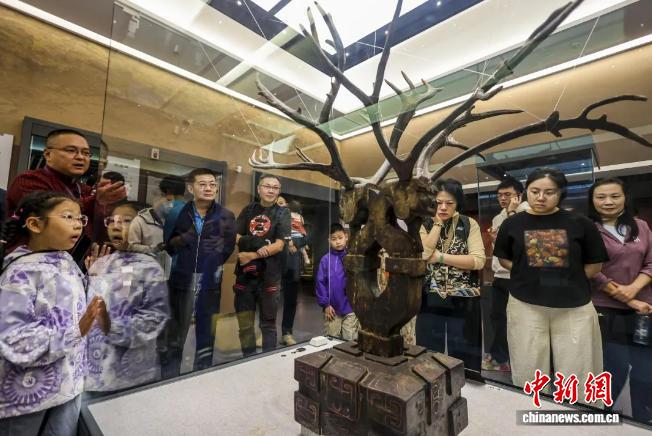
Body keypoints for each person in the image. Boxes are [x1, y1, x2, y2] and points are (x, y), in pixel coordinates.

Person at [493, 168, 608, 402]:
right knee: (528, 365)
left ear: (561, 193)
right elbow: (505, 259)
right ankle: (531, 411)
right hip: (525, 304)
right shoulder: (512, 223)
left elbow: (594, 265)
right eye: (535, 191)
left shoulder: (581, 223)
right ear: (526, 192)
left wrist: (568, 279)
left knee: (578, 366)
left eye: (549, 192)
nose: (541, 197)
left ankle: (579, 414)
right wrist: (529, 274)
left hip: (573, 306)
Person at [0, 192, 109, 434]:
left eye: (80, 218)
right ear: (35, 224)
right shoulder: (20, 273)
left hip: (68, 384)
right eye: (68, 217)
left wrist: (94, 279)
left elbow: (82, 308)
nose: (78, 224)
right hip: (28, 395)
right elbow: (14, 340)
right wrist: (75, 331)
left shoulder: (65, 261)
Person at [85, 201, 169, 393]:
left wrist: (110, 327)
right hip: (94, 370)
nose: (116, 226)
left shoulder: (149, 268)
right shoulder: (105, 261)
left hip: (128, 375)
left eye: (126, 221)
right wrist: (94, 277)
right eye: (112, 220)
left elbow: (153, 319)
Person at [588, 178, 652, 420]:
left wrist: (634, 289)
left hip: (643, 309)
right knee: (614, 367)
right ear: (592, 201)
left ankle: (642, 420)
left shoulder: (641, 226)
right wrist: (628, 298)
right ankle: (601, 414)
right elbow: (592, 271)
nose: (608, 201)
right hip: (605, 309)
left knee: (645, 368)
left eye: (615, 196)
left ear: (625, 198)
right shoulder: (587, 229)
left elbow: (651, 262)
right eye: (601, 197)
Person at [165, 168, 236, 373]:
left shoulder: (226, 215)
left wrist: (211, 263)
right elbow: (169, 245)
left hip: (209, 280)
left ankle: (202, 371)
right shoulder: (177, 213)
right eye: (202, 184)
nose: (208, 188)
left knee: (206, 330)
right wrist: (184, 241)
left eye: (212, 185)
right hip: (182, 277)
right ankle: (169, 375)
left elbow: (228, 247)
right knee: (176, 330)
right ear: (191, 188)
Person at [416, 178, 486, 374]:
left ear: (458, 203)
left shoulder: (468, 223)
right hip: (430, 296)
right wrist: (437, 224)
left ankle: (467, 386)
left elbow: (478, 261)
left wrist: (440, 257)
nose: (443, 207)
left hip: (464, 298)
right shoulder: (425, 224)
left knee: (464, 350)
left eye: (449, 203)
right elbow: (423, 254)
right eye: (438, 202)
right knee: (428, 351)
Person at [6, 129, 126, 240]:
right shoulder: (30, 180)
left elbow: (101, 230)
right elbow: (50, 216)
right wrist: (96, 200)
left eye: (86, 153)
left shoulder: (85, 189)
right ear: (48, 154)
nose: (80, 157)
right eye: (71, 150)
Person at [234, 175, 290, 356]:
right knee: (245, 325)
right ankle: (247, 359)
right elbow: (235, 236)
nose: (271, 190)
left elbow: (279, 245)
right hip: (245, 276)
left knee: (268, 324)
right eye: (267, 186)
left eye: (275, 187)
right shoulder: (248, 210)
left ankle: (269, 362)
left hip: (270, 277)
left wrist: (251, 254)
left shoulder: (283, 213)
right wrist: (259, 243)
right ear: (259, 189)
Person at [484, 176, 528, 372]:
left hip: (519, 276)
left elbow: (521, 245)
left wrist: (512, 213)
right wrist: (495, 240)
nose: (503, 198)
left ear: (519, 196)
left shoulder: (527, 212)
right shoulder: (498, 217)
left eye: (507, 194)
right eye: (500, 195)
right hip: (500, 276)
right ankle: (501, 358)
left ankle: (519, 360)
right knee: (498, 318)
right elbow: (501, 249)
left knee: (520, 321)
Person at [316, 223, 359, 341]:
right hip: (332, 309)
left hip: (350, 308)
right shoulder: (325, 260)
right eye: (334, 239)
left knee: (350, 341)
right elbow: (320, 284)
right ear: (329, 240)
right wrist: (326, 305)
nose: (338, 242)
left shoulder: (351, 258)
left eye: (340, 238)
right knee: (331, 340)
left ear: (346, 237)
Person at [277, 197, 310, 346]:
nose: (280, 206)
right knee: (269, 300)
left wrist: (294, 242)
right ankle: (264, 332)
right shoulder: (270, 217)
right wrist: (287, 240)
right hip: (273, 262)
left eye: (282, 203)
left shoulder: (298, 219)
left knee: (290, 299)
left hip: (292, 263)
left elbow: (307, 236)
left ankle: (287, 332)